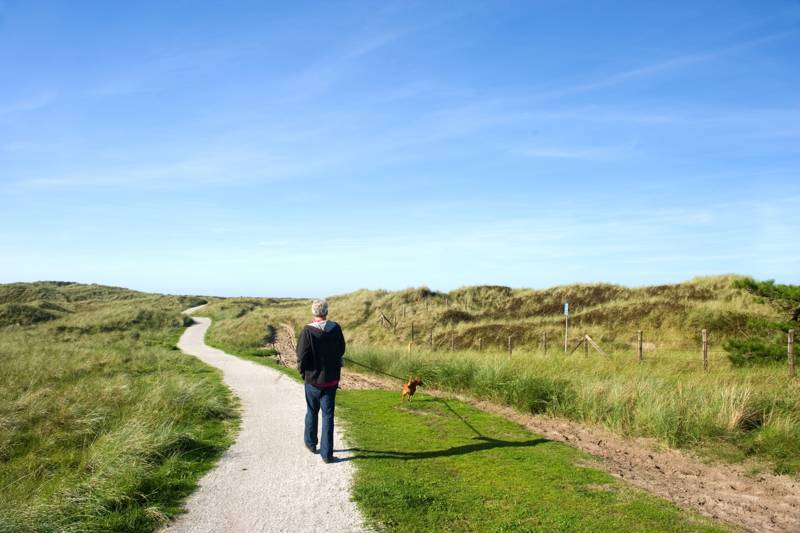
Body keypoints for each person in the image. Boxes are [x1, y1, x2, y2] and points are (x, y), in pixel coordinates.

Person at [296, 298, 345, 463]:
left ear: (313, 312)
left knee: (312, 411)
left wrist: (303, 373)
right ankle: (327, 454)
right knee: (328, 415)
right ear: (326, 312)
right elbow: (341, 349)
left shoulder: (307, 331)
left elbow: (301, 356)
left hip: (313, 380)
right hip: (331, 379)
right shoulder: (335, 328)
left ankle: (311, 443)